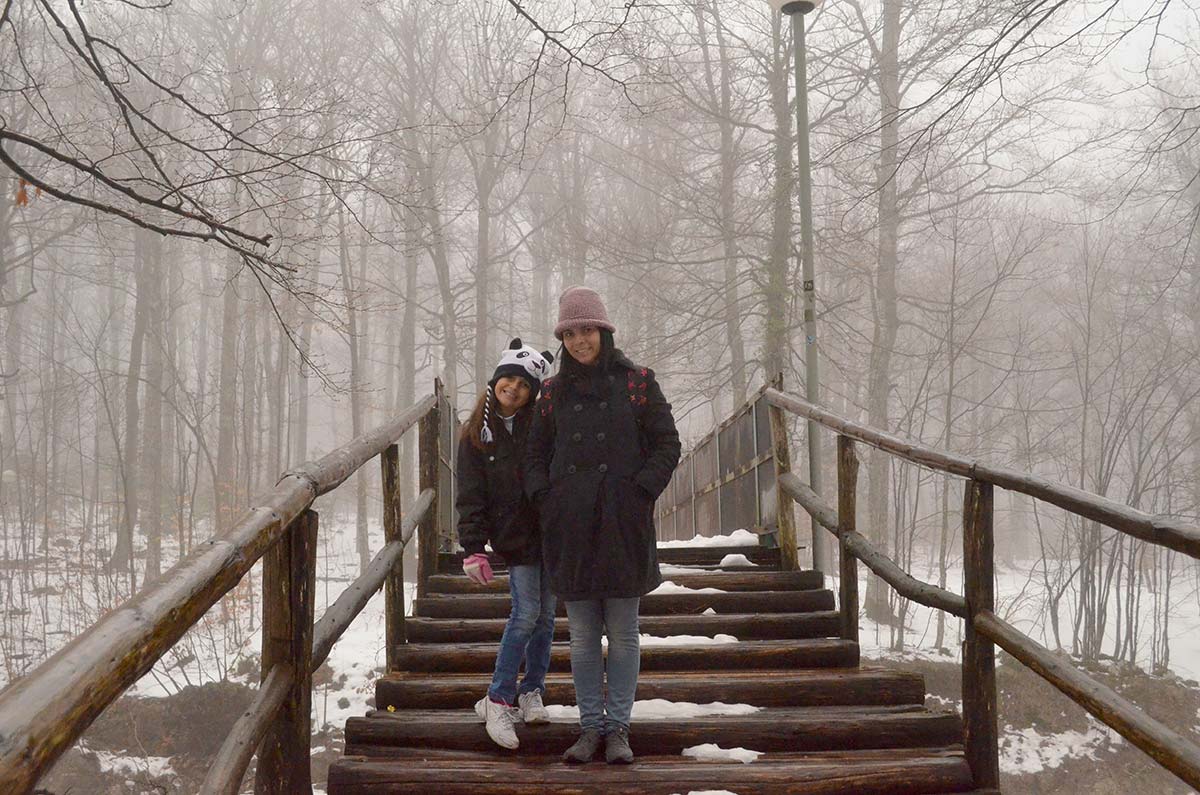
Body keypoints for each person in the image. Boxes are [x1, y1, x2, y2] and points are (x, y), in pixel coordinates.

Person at [524, 286, 681, 764]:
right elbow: (533, 456)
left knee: (625, 632)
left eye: (586, 330)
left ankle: (619, 731)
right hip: (570, 526)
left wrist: (639, 492)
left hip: (622, 522)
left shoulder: (637, 382)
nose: (578, 340)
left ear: (603, 330)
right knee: (584, 635)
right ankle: (590, 728)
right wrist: (547, 500)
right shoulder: (550, 393)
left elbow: (667, 443)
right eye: (569, 333)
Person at [457, 338, 555, 750]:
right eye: (508, 379)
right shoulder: (476, 434)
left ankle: (531, 690)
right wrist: (473, 546)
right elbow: (470, 493)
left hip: (551, 533)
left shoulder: (543, 424)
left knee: (547, 617)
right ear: (496, 379)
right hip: (514, 537)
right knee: (526, 613)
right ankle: (498, 697)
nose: (513, 388)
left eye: (524, 383)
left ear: (534, 391)